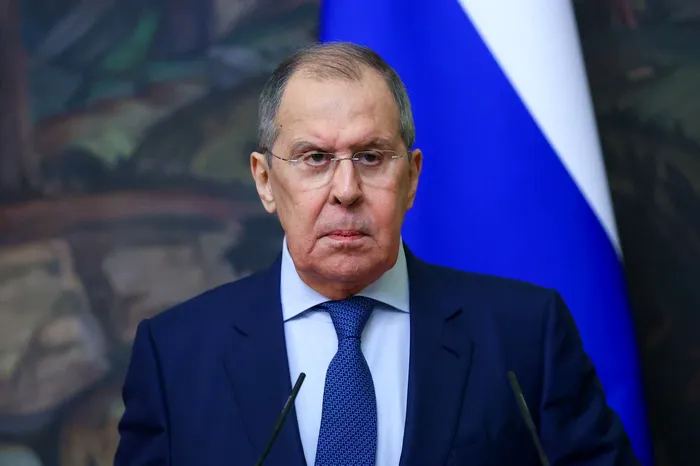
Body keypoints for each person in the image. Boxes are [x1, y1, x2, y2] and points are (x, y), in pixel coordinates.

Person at [115, 41, 641, 466]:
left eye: (370, 157)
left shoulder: (524, 334)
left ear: (411, 177)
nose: (346, 190)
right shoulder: (176, 355)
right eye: (314, 158)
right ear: (265, 181)